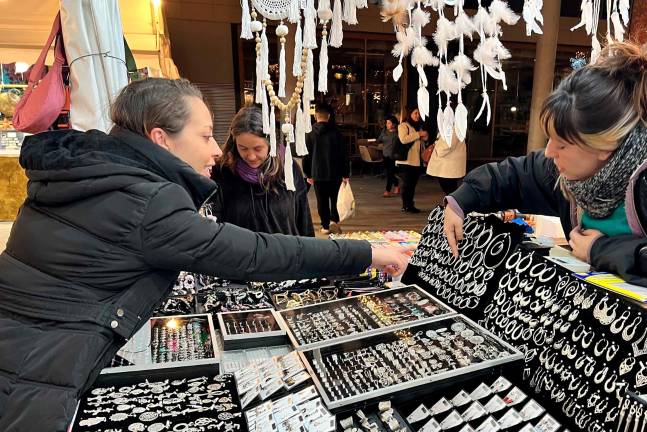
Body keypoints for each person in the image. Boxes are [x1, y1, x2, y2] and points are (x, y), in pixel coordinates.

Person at [0, 78, 412, 431]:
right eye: (205, 135)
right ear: (160, 137)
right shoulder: (146, 200)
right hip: (39, 375)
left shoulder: (87, 172)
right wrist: (365, 252)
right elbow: (256, 253)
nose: (217, 149)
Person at [443, 39, 647, 300]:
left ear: (605, 146)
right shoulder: (571, 169)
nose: (550, 152)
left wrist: (599, 249)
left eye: (562, 144)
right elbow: (516, 175)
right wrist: (462, 201)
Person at [211, 105, 314, 236]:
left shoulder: (288, 168)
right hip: (242, 255)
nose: (251, 156)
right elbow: (215, 225)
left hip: (286, 254)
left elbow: (304, 220)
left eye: (258, 149)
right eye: (243, 148)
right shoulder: (222, 172)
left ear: (271, 143)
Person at [305, 103, 349, 235]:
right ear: (329, 116)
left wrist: (308, 174)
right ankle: (334, 221)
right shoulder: (337, 133)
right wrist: (346, 173)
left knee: (321, 200)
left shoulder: (310, 133)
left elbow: (307, 155)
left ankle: (325, 226)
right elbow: (343, 155)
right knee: (335, 198)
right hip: (335, 173)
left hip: (317, 173)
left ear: (315, 116)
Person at [396, 107, 429, 213]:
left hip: (416, 161)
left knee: (412, 184)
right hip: (406, 161)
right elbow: (403, 139)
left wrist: (425, 138)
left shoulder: (418, 127)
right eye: (415, 113)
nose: (417, 115)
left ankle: (409, 204)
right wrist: (418, 134)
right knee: (407, 184)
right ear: (410, 114)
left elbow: (420, 144)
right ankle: (406, 205)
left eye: (419, 113)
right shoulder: (403, 125)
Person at [377, 115, 400, 197]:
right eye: (387, 123)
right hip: (385, 155)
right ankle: (396, 185)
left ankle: (387, 190)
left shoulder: (398, 133)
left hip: (393, 156)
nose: (387, 124)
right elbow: (379, 139)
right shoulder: (384, 131)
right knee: (389, 173)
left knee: (390, 173)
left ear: (394, 124)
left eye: (389, 123)